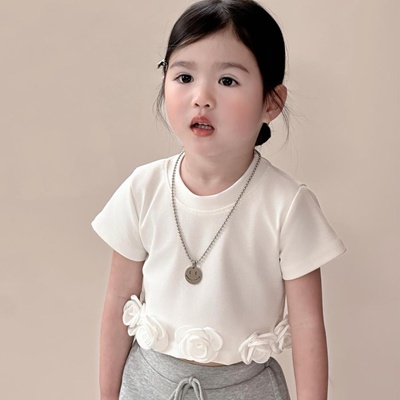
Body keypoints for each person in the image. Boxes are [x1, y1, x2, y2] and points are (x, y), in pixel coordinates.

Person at [92, 0, 346, 399]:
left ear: (271, 102)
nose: (201, 97)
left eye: (227, 80)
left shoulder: (287, 204)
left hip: (247, 388)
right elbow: (118, 302)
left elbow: (308, 325)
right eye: (184, 76)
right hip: (148, 384)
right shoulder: (143, 188)